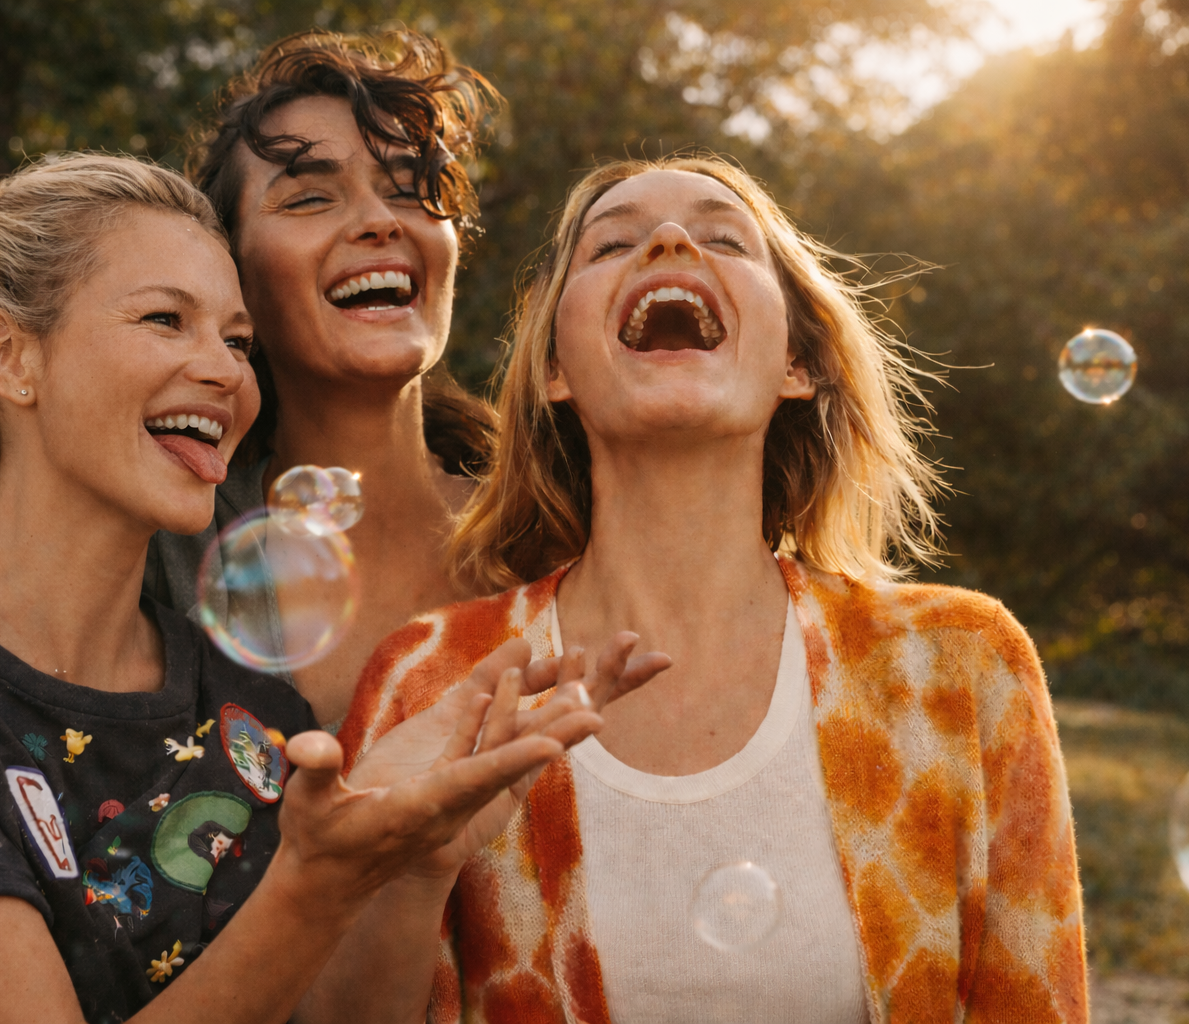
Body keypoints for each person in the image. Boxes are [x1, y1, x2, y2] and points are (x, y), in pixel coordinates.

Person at [0, 153, 656, 1024]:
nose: (227, 373)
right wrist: (317, 886)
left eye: (238, 342)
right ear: (8, 355)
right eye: (167, 319)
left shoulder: (259, 720)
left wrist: (409, 868)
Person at [338, 156, 1089, 1023]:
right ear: (556, 371)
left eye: (724, 237)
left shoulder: (957, 665)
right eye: (611, 243)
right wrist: (404, 878)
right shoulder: (432, 679)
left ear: (797, 364)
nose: (668, 240)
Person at [0, 28, 505, 741]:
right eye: (311, 198)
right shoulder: (166, 530)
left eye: (411, 189)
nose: (379, 221)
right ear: (233, 268)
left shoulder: (554, 512)